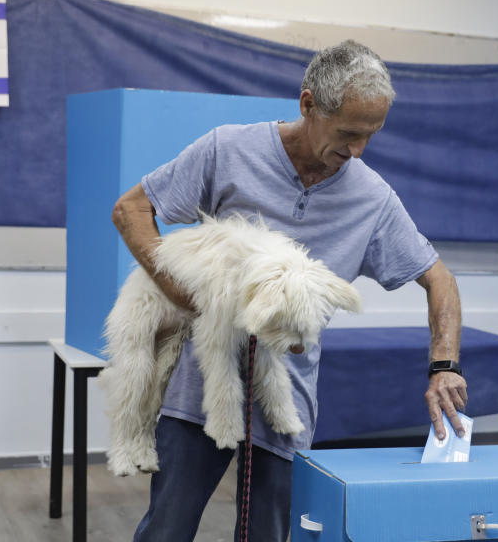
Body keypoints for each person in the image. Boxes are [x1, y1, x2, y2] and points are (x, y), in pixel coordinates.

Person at [111, 40, 467, 542]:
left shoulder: (372, 197)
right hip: (200, 387)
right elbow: (131, 210)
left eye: (371, 136)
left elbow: (439, 278)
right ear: (308, 105)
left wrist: (444, 364)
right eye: (348, 133)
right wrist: (184, 292)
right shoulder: (228, 149)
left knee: (270, 535)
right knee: (167, 529)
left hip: (286, 397)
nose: (358, 150)